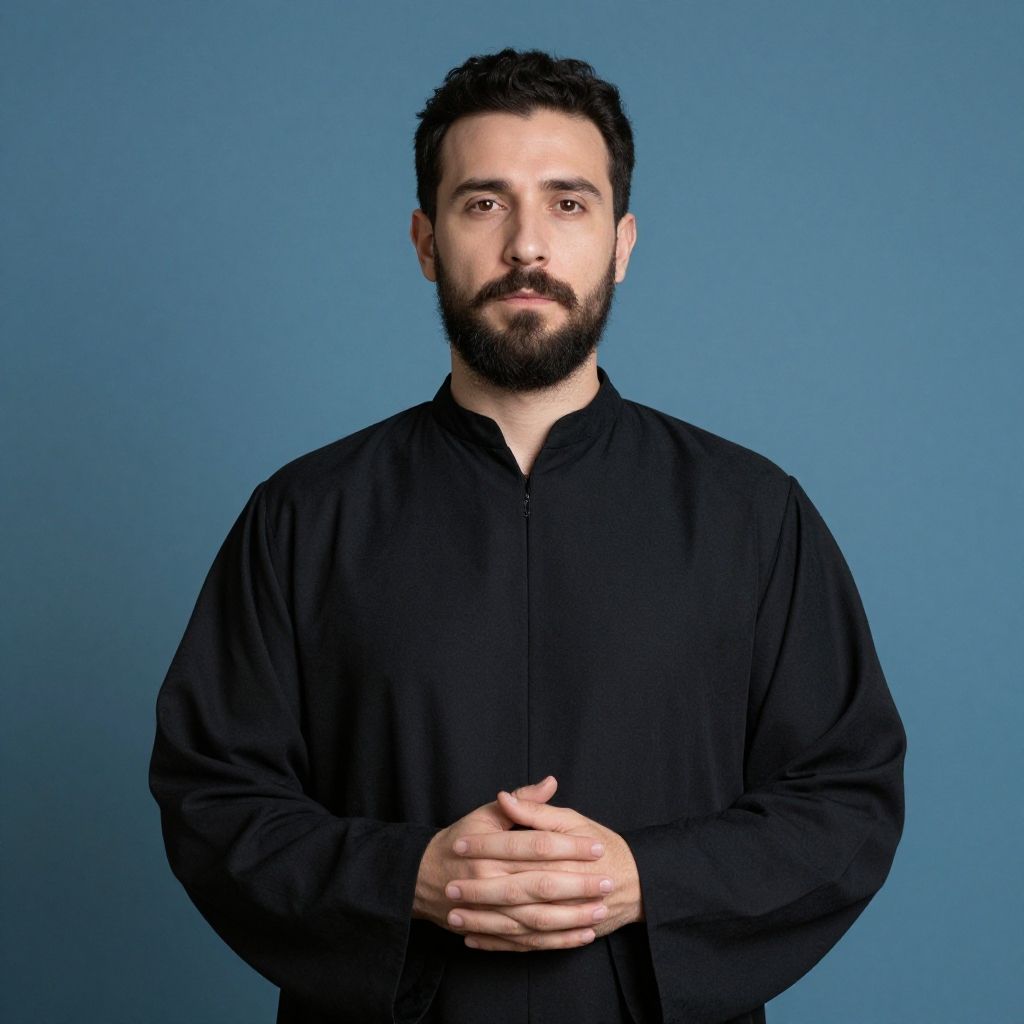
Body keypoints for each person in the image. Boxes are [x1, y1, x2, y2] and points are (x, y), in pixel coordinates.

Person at [149, 48, 906, 1024]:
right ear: (425, 240)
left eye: (568, 203)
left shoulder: (755, 515)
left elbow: (846, 797)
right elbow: (212, 797)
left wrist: (644, 877)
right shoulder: (301, 516)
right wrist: (409, 876)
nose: (525, 246)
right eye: (483, 203)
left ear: (622, 242)